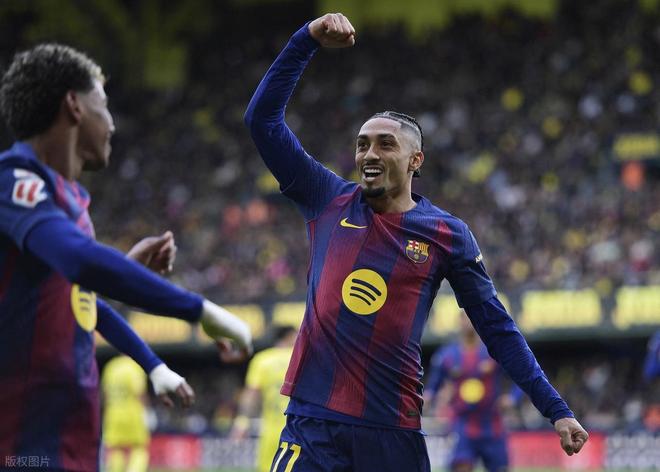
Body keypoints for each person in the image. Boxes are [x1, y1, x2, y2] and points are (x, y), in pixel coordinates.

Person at [244, 13, 589, 471]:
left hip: (392, 433)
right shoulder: (327, 198)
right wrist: (305, 39)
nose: (370, 153)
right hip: (313, 424)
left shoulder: (447, 234)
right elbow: (262, 121)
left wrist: (556, 408)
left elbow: (495, 327)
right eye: (362, 144)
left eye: (385, 144)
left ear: (415, 160)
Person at [0, 43, 253, 472]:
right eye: (103, 104)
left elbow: (78, 303)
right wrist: (200, 310)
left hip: (68, 444)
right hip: (20, 448)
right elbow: (80, 262)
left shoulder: (70, 204)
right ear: (74, 106)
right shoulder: (12, 180)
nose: (112, 123)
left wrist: (153, 365)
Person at [425, 313, 522, 472]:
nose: (468, 321)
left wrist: (512, 398)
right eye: (465, 317)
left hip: (493, 424)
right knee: (461, 466)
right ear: (459, 322)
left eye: (471, 316)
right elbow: (433, 385)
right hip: (463, 424)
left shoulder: (493, 350)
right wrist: (428, 398)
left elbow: (520, 377)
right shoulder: (447, 354)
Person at [230, 325, 298, 472]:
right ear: (290, 336)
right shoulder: (302, 358)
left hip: (272, 433)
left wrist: (242, 422)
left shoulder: (263, 360)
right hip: (300, 431)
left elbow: (252, 395)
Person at [101, 356, 152, 472]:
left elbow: (105, 395)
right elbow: (139, 393)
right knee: (139, 447)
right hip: (132, 414)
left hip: (113, 414)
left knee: (115, 449)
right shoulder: (134, 367)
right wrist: (147, 412)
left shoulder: (111, 367)